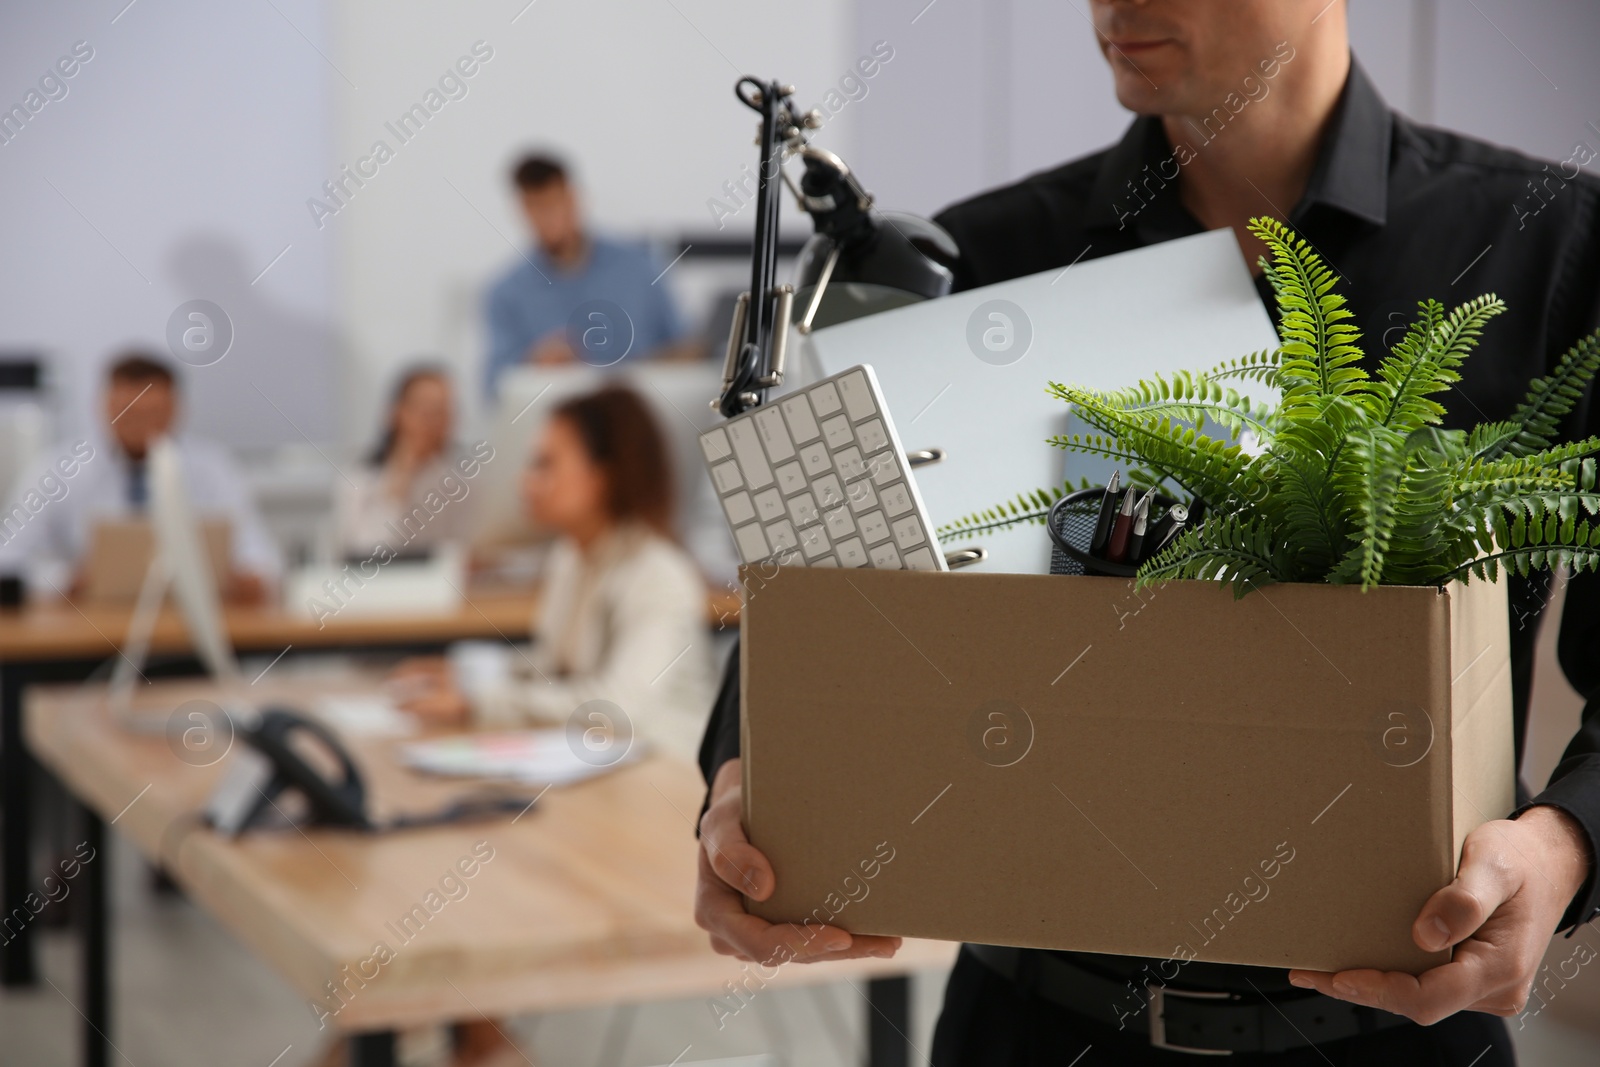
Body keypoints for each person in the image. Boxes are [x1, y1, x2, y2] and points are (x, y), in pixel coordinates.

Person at [693, 2, 1600, 1064]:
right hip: (1027, 1026)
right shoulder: (987, 259)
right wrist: (742, 778)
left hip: (1395, 1032)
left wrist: (1563, 842)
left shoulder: (1546, 247)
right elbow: (823, 598)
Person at [399, 384, 716, 758]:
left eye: (545, 464)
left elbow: (617, 710)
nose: (525, 482)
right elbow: (550, 671)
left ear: (604, 476)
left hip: (663, 777)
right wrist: (464, 675)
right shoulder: (570, 557)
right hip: (597, 765)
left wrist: (481, 704)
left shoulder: (659, 574)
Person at [0, 352, 282, 603]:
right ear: (106, 407)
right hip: (86, 632)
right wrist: (64, 581)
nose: (144, 427)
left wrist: (247, 578)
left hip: (188, 627)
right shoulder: (57, 469)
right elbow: (8, 559)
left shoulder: (214, 467)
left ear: (177, 409)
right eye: (131, 414)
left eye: (155, 414)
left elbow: (263, 558)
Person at [482, 154, 696, 396]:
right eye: (535, 206)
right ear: (522, 210)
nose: (546, 217)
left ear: (573, 198)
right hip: (557, 423)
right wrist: (534, 363)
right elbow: (493, 389)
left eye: (552, 203)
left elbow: (685, 350)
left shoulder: (638, 267)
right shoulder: (506, 292)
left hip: (637, 419)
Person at [337, 364, 473, 557]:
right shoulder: (359, 479)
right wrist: (401, 478)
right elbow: (369, 551)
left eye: (442, 412)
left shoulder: (460, 478)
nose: (434, 423)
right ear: (396, 413)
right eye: (425, 411)